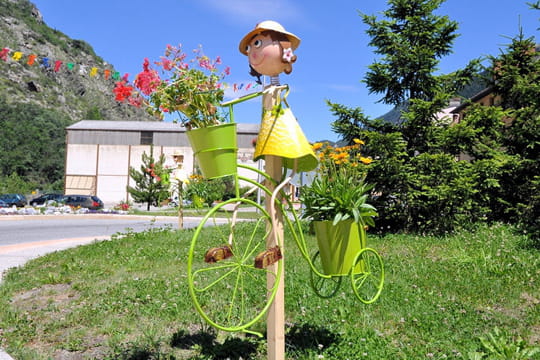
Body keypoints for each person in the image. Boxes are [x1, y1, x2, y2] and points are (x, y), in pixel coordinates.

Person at [238, 20, 317, 173]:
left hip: (277, 120)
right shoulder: (266, 88)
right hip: (269, 119)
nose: (253, 51)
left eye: (259, 43)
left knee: (279, 143)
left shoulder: (276, 89)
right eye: (250, 47)